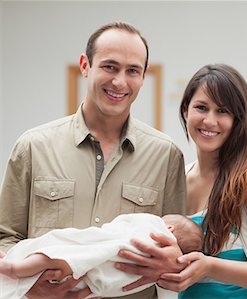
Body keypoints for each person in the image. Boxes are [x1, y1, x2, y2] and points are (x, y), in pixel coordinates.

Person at [0, 22, 186, 299]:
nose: (120, 82)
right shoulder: (33, 146)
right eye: (110, 67)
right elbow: (5, 236)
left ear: (143, 76)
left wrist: (173, 261)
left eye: (132, 71)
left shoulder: (166, 155)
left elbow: (174, 248)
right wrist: (32, 289)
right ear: (85, 66)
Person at [153, 64, 247, 298]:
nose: (210, 121)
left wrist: (211, 267)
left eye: (222, 111)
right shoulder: (177, 181)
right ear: (186, 110)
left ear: (238, 119)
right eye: (201, 107)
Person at [0, 213, 202, 299]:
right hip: (96, 284)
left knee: (55, 257)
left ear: (169, 228)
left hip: (93, 256)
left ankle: (14, 269)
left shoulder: (155, 230)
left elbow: (126, 223)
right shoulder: (32, 145)